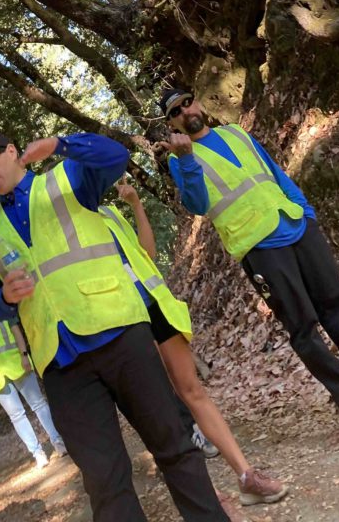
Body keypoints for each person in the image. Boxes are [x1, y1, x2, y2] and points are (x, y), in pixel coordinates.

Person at [0, 131, 230, 522]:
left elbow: (115, 155)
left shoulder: (66, 178)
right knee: (104, 481)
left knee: (173, 443)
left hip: (119, 332)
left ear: (13, 152)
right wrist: (3, 298)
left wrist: (60, 145)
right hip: (60, 363)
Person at [157, 88, 339, 440]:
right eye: (176, 111)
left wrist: (305, 210)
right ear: (172, 123)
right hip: (258, 245)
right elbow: (196, 204)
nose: (185, 111)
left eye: (187, 101)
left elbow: (273, 172)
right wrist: (188, 159)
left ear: (198, 102)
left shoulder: (236, 133)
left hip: (296, 224)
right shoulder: (182, 160)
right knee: (303, 329)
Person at [102, 179, 288, 506]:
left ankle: (247, 476)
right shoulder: (63, 232)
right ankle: (204, 495)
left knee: (193, 391)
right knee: (161, 409)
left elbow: (147, 253)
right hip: (123, 322)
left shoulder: (108, 213)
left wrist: (135, 205)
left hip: (154, 307)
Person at [0, 282, 67, 468]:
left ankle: (58, 441)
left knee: (38, 404)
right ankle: (37, 453)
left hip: (17, 364)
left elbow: (16, 331)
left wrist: (24, 354)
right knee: (16, 416)